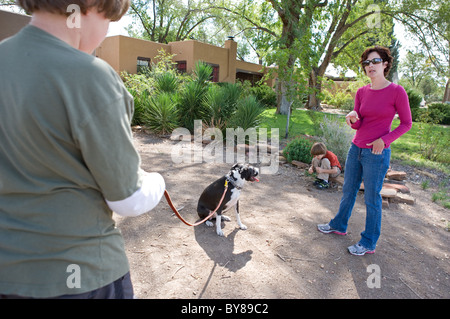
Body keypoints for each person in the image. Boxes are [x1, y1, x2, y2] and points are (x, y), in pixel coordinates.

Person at [0, 0, 166, 298]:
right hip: (80, 275)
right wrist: (157, 181)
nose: (105, 33)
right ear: (89, 6)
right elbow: (128, 199)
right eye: (108, 21)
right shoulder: (90, 75)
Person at [317, 46, 412, 256]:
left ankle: (368, 242)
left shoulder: (397, 91)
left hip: (376, 154)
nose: (370, 66)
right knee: (348, 191)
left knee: (371, 198)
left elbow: (406, 123)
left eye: (375, 61)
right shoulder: (361, 92)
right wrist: (352, 120)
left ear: (385, 64)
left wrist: (384, 141)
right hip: (355, 149)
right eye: (367, 63)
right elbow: (359, 124)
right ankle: (339, 225)